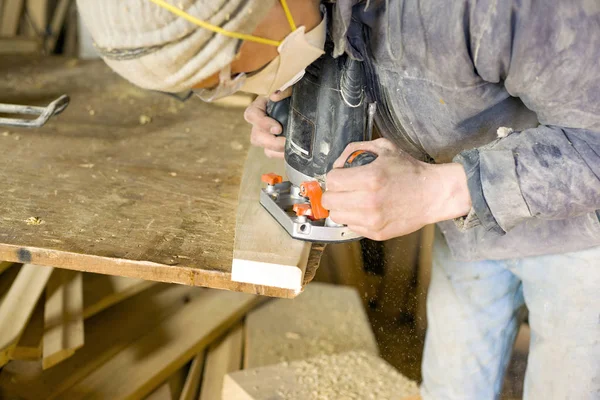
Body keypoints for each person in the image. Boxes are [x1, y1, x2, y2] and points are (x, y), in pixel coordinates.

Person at [78, 1, 600, 399]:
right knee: (452, 380)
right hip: (469, 228)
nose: (233, 86)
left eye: (233, 72)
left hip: (582, 236)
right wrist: (293, 94)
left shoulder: (483, 9)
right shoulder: (319, 13)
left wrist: (438, 189)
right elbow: (401, 75)